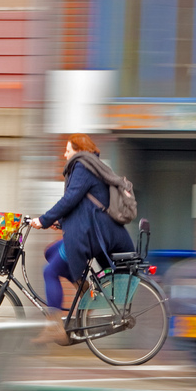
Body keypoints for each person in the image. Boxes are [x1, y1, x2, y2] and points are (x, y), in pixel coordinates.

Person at [29, 134, 134, 345]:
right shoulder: (92, 165)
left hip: (93, 233)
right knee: (50, 252)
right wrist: (59, 221)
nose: (65, 153)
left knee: (49, 271)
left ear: (78, 149)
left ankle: (54, 327)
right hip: (98, 230)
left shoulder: (82, 166)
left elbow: (70, 199)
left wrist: (44, 220)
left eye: (68, 150)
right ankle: (84, 287)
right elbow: (81, 203)